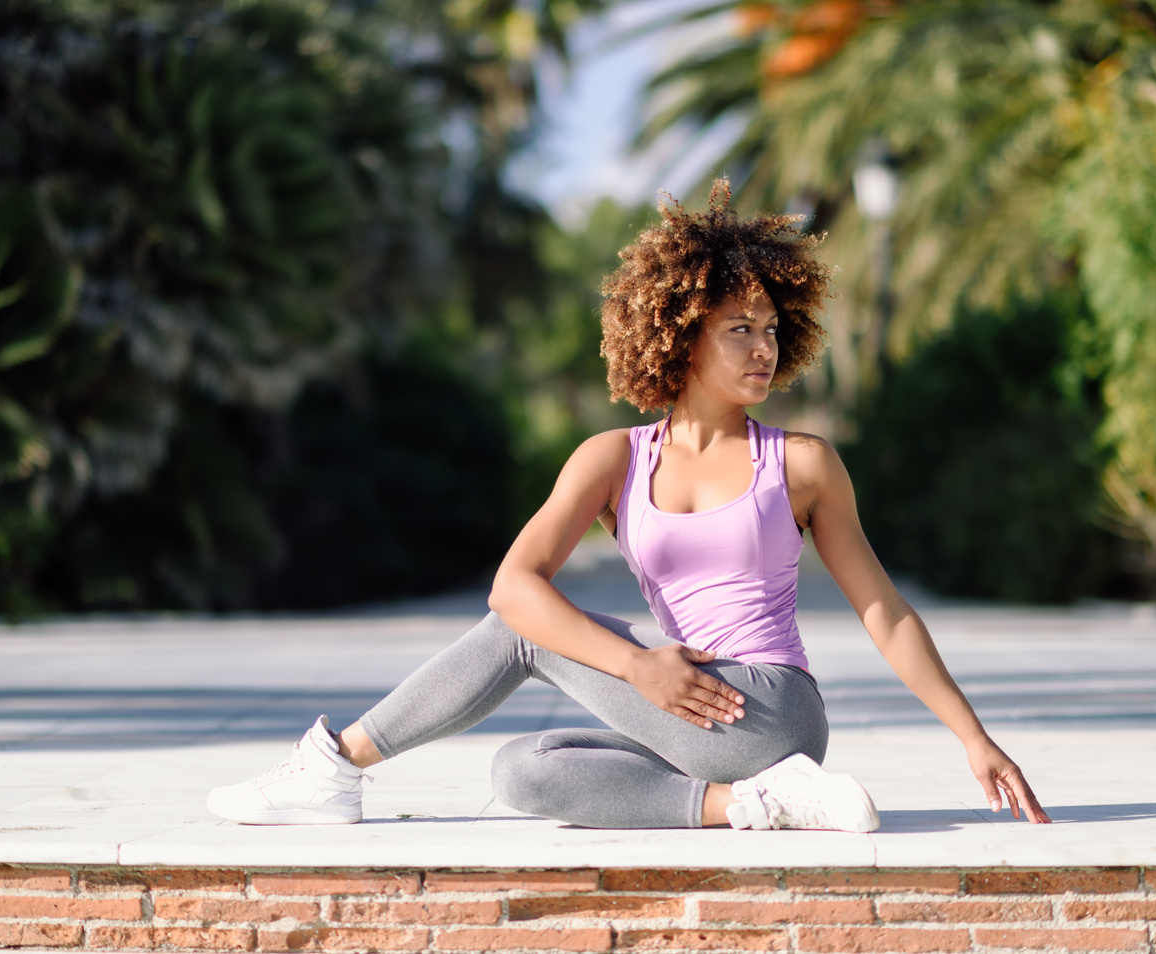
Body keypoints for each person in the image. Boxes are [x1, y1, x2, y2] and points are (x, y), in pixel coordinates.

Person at [207, 182, 1051, 831]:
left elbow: (885, 612)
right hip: (682, 706)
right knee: (523, 770)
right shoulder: (609, 460)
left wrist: (972, 737)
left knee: (523, 629)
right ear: (680, 335)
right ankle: (755, 807)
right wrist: (640, 666)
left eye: (768, 328)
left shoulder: (798, 463)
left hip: (770, 706)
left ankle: (333, 765)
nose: (763, 349)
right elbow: (516, 577)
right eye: (737, 330)